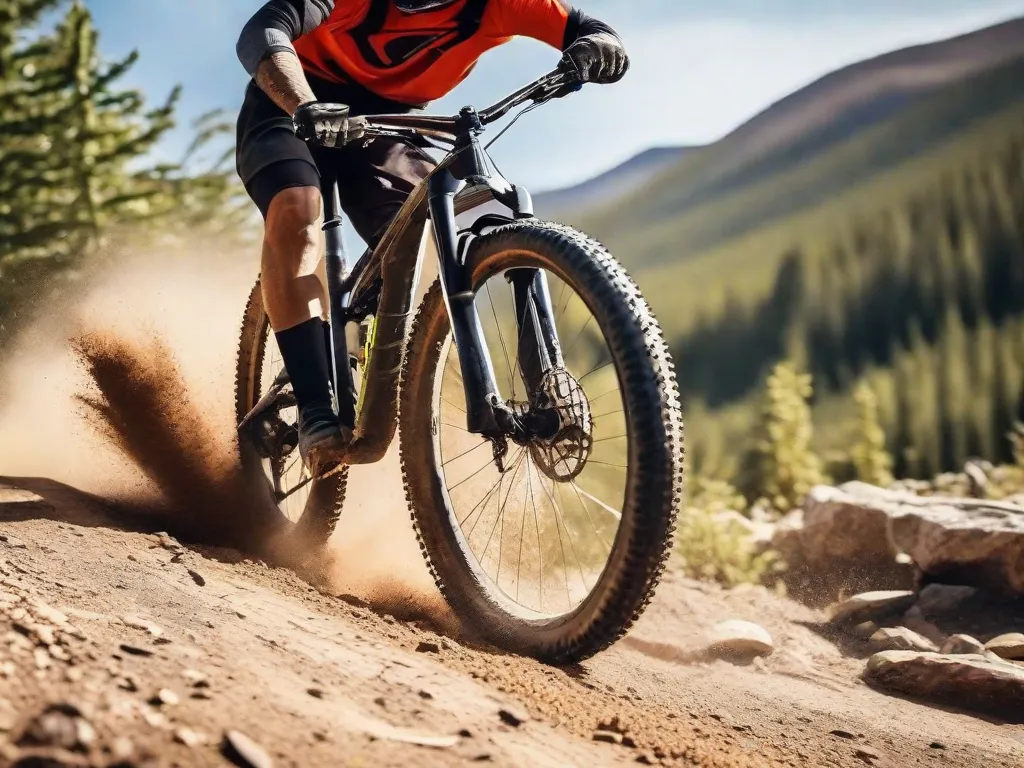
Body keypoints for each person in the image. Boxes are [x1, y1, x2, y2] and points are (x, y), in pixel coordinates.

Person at [235, 0, 629, 474]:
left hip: (390, 120)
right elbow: (262, 32)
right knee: (297, 213)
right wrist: (306, 105)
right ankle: (316, 406)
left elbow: (583, 28)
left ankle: (358, 339)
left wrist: (600, 47)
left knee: (419, 236)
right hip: (292, 103)